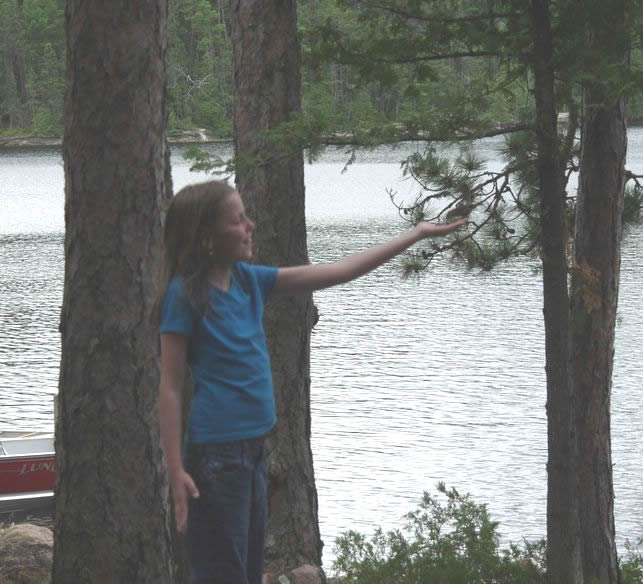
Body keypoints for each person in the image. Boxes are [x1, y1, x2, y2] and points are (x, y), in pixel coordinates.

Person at [158, 179, 467, 584]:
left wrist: (415, 234)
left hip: (253, 453)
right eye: (238, 220)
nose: (250, 225)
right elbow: (171, 385)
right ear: (207, 238)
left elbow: (338, 271)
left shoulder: (250, 282)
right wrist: (176, 469)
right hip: (216, 458)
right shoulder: (183, 295)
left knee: (245, 573)